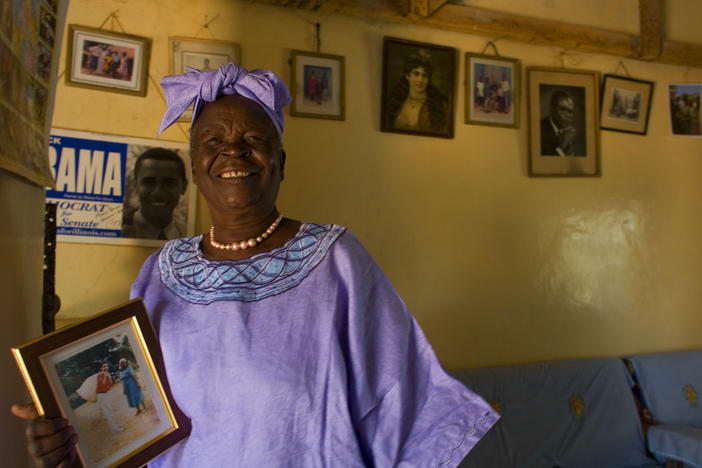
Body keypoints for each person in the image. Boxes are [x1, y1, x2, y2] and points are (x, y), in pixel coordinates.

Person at [12, 63, 498, 467]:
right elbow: (134, 418)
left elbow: (403, 397)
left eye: (252, 137)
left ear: (280, 162)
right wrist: (71, 442)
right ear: (196, 170)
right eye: (212, 141)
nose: (233, 150)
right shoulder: (162, 272)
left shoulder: (335, 260)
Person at [121, 147, 188, 240]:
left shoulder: (189, 234)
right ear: (135, 185)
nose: (158, 192)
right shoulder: (121, 231)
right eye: (149, 183)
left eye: (169, 183)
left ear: (184, 187)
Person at [386, 51, 449, 133]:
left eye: (425, 76)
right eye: (416, 74)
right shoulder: (395, 102)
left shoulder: (438, 105)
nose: (420, 80)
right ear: (407, 76)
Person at [540, 89, 586, 156]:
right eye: (563, 109)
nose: (568, 115)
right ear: (552, 108)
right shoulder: (540, 129)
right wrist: (563, 146)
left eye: (570, 111)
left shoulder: (568, 133)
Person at [95, 363, 124, 433]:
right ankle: (114, 429)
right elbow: (101, 384)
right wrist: (105, 376)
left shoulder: (107, 375)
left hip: (105, 394)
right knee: (107, 412)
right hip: (101, 395)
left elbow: (110, 385)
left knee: (110, 410)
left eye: (106, 366)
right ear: (101, 368)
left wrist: (109, 378)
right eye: (104, 366)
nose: (106, 367)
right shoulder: (100, 375)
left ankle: (116, 425)